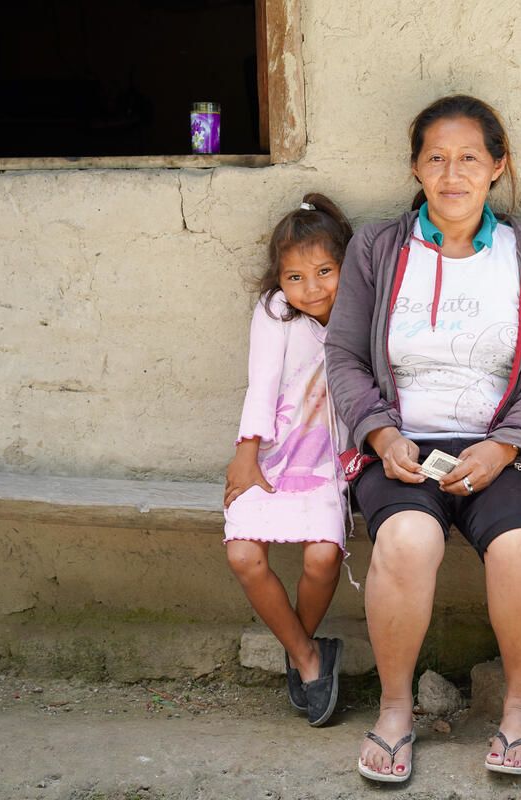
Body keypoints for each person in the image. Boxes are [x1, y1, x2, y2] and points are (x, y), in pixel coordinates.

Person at [326, 95, 521, 782]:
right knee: (407, 539)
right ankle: (397, 710)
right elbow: (343, 355)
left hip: (502, 448)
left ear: (497, 166)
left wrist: (510, 443)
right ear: (415, 167)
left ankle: (520, 710)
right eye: (436, 157)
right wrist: (379, 433)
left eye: (469, 157)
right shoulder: (377, 247)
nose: (452, 172)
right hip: (403, 445)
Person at [223, 193, 355, 728]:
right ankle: (306, 656)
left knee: (323, 558)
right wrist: (245, 455)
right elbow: (261, 385)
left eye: (325, 271)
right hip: (274, 455)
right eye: (296, 276)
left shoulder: (361, 312)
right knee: (243, 557)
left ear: (345, 265)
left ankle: (299, 645)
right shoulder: (275, 312)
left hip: (330, 462)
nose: (312, 288)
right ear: (279, 279)